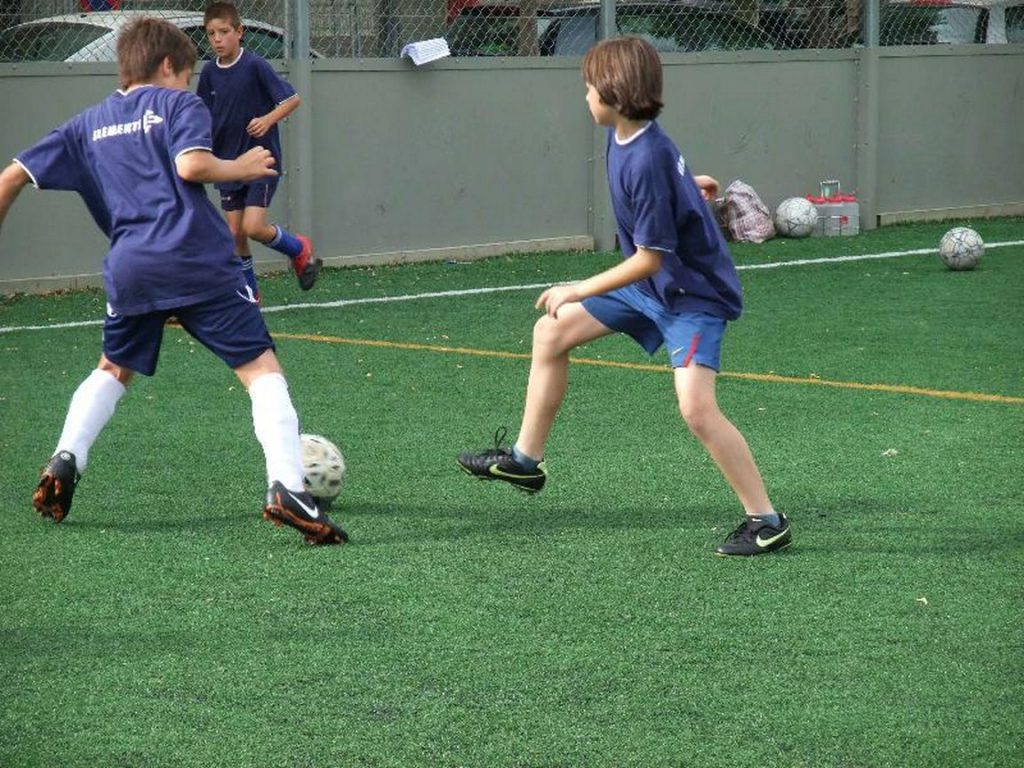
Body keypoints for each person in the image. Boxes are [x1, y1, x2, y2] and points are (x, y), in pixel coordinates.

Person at [0, 17, 346, 546]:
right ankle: (286, 486)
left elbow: (11, 177)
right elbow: (191, 166)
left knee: (112, 369)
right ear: (167, 67)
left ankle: (66, 459)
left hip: (131, 267)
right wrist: (243, 165)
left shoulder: (86, 124)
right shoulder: (179, 105)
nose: (188, 85)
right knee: (260, 369)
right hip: (196, 259)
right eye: (186, 75)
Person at [457, 37, 791, 557]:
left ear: (615, 93)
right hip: (652, 287)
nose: (585, 96)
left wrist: (578, 287)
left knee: (697, 410)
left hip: (691, 296)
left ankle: (766, 520)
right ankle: (525, 461)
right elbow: (667, 192)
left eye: (589, 87)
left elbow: (649, 256)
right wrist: (691, 187)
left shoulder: (646, 156)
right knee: (552, 332)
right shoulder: (629, 136)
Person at [196, 1, 319, 302]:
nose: (217, 39)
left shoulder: (255, 66)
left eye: (224, 32)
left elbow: (292, 100)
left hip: (261, 161)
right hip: (227, 164)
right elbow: (202, 113)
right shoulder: (210, 72)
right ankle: (250, 290)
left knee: (252, 227)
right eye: (211, 34)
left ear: (239, 32)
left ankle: (298, 249)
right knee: (236, 233)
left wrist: (267, 120)